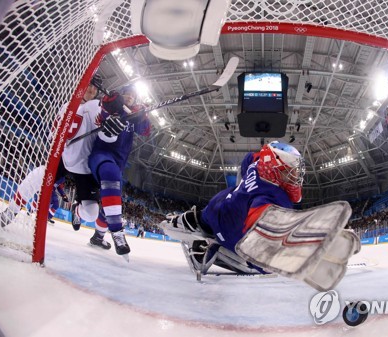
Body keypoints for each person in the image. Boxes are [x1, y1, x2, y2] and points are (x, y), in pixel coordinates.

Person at [0, 75, 112, 250]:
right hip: (65, 157)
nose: (93, 90)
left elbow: (108, 118)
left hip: (85, 165)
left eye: (96, 88)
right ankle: (10, 212)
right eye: (90, 85)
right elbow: (54, 136)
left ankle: (77, 210)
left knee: (91, 213)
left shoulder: (96, 107)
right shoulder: (67, 107)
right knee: (38, 175)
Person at [163, 141, 304, 269]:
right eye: (289, 171)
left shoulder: (257, 164)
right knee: (266, 264)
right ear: (273, 169)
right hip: (230, 233)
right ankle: (214, 251)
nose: (296, 176)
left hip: (217, 206)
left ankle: (193, 219)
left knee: (235, 193)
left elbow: (249, 159)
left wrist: (245, 191)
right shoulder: (276, 197)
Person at [88, 84, 151, 256]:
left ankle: (98, 237)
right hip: (101, 155)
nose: (129, 97)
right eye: (126, 94)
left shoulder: (133, 115)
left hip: (118, 164)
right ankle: (117, 232)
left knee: (109, 206)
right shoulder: (113, 106)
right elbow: (102, 115)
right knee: (111, 175)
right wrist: (109, 105)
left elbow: (145, 131)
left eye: (132, 95)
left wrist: (144, 116)